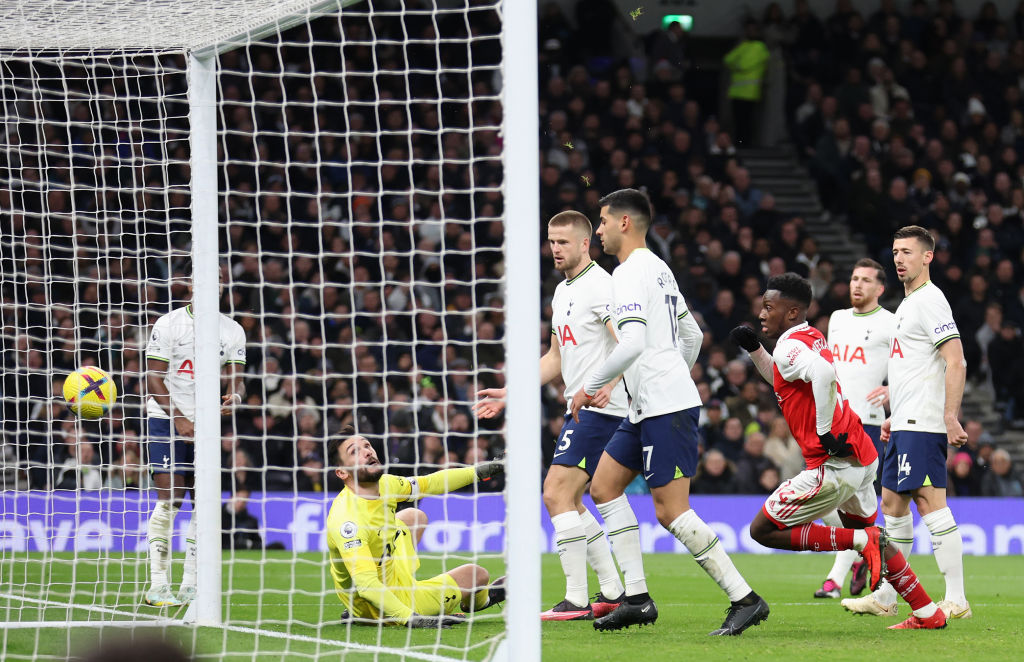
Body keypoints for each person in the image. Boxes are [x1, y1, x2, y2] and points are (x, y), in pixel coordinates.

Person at [570, 188, 768, 635]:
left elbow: (635, 342)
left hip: (664, 406)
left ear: (624, 223)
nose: (597, 229)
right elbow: (693, 337)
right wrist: (664, 375)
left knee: (671, 512)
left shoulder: (625, 273)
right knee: (603, 487)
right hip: (650, 404)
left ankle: (746, 598)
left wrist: (593, 386)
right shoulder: (659, 268)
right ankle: (637, 598)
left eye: (602, 221)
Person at [730, 273, 947, 630]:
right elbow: (785, 377)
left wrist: (825, 433)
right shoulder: (809, 335)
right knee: (871, 535)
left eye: (769, 307)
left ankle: (863, 540)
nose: (762, 313)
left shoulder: (790, 347)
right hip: (861, 455)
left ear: (792, 311)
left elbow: (824, 372)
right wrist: (756, 350)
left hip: (831, 462)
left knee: (762, 530)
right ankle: (927, 612)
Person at [473, 211, 626, 621]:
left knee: (555, 493)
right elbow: (556, 358)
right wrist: (511, 392)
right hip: (581, 406)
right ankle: (611, 590)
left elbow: (628, 343)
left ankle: (576, 599)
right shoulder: (563, 293)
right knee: (571, 500)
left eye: (562, 242)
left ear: (584, 243)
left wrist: (607, 385)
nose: (554, 249)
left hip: (604, 408)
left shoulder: (602, 287)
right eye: (551, 241)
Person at [842, 225, 971, 620]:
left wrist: (950, 416)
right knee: (892, 505)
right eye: (896, 252)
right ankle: (885, 595)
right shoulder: (909, 304)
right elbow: (913, 369)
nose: (899, 259)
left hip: (925, 423)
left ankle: (957, 599)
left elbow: (956, 360)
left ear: (927, 257)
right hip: (905, 422)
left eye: (908, 252)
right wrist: (895, 416)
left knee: (929, 503)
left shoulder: (930, 300)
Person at [325, 429, 505, 627]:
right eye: (354, 452)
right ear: (342, 472)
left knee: (414, 517)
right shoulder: (347, 521)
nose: (367, 452)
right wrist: (412, 618)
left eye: (367, 445)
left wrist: (482, 471)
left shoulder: (386, 484)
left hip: (391, 572)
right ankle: (483, 599)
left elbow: (430, 483)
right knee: (478, 574)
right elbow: (367, 586)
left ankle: (410, 587)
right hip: (382, 606)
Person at [143, 269, 246, 607]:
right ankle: (158, 585)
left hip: (207, 426)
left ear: (222, 286)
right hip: (166, 419)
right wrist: (179, 419)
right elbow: (154, 378)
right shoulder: (168, 323)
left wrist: (236, 398)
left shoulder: (232, 330)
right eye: (204, 277)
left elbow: (237, 382)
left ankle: (190, 584)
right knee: (170, 500)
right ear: (190, 284)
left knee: (204, 504)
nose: (211, 283)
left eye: (218, 278)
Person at [813, 258, 896, 600]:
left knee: (844, 503)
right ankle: (863, 549)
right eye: (853, 278)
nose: (857, 285)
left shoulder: (892, 323)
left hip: (868, 425)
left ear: (880, 289)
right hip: (834, 424)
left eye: (865, 280)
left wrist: (893, 390)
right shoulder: (837, 319)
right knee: (836, 504)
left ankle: (833, 581)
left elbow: (912, 363)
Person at [723, 20, 770, 146]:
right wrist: (737, 63)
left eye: (753, 29)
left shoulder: (760, 47)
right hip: (736, 92)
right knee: (737, 121)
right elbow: (727, 59)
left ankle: (747, 145)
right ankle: (739, 145)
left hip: (750, 93)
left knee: (747, 121)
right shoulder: (743, 45)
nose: (750, 32)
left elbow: (744, 65)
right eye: (748, 29)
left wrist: (736, 65)